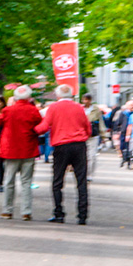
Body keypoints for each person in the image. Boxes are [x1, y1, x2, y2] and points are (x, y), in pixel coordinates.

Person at [35, 84, 92, 225]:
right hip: (79, 145)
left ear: (57, 95)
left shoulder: (53, 108)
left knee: (58, 181)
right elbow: (88, 128)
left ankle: (59, 213)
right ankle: (82, 215)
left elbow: (43, 127)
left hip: (61, 145)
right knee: (81, 181)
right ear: (72, 94)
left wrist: (32, 129)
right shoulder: (79, 107)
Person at [0, 85, 42, 221]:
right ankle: (26, 211)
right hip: (28, 150)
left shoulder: (8, 110)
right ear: (29, 97)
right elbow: (40, 124)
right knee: (26, 182)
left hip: (11, 150)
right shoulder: (33, 110)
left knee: (9, 181)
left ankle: (7, 210)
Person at [82, 93, 106, 177]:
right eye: (84, 99)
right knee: (83, 156)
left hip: (93, 135)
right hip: (82, 135)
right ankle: (83, 173)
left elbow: (101, 122)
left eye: (87, 99)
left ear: (90, 100)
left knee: (91, 156)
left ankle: (89, 174)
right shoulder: (80, 108)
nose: (86, 101)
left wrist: (104, 135)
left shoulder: (96, 109)